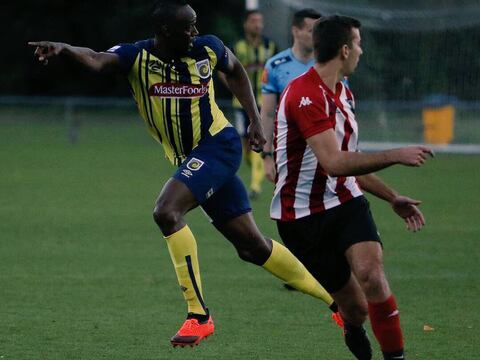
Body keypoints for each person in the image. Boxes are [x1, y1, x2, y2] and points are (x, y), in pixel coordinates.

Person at [28, 0, 337, 348]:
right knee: (251, 247)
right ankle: (336, 300)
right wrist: (66, 48)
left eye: (195, 24)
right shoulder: (137, 57)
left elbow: (235, 71)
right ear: (164, 32)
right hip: (191, 158)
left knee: (166, 211)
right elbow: (98, 58)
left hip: (218, 146)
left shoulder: (207, 48)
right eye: (187, 27)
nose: (194, 32)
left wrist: (253, 118)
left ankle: (198, 316)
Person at [270, 15, 434, 360]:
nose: (361, 51)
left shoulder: (344, 93)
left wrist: (391, 197)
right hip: (300, 218)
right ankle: (353, 325)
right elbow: (334, 163)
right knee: (356, 309)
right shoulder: (304, 95)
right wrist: (397, 155)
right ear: (344, 50)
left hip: (346, 203)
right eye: (358, 44)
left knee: (371, 275)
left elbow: (349, 163)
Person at [260, 8, 321, 183]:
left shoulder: (328, 64)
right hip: (288, 153)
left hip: (324, 150)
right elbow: (268, 113)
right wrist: (267, 155)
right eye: (311, 31)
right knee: (289, 205)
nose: (316, 36)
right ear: (296, 31)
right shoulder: (275, 65)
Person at [226, 10, 276, 200]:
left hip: (263, 103)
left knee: (258, 142)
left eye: (260, 21)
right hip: (240, 104)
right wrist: (233, 87)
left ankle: (255, 186)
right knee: (245, 147)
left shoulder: (270, 46)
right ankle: (258, 172)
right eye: (254, 21)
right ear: (246, 24)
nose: (258, 25)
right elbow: (223, 71)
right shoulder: (237, 46)